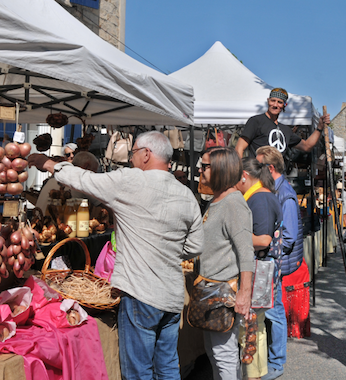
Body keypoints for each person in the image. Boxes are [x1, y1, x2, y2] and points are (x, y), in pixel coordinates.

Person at [28, 131, 204, 380]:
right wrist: (167, 250)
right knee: (167, 367)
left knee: (138, 371)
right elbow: (196, 245)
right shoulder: (186, 194)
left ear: (146, 154)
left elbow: (86, 180)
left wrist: (48, 164)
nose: (131, 159)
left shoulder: (132, 181)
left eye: (133, 153)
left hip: (141, 293)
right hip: (172, 295)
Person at [198, 147, 255, 380]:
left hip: (223, 290)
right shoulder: (217, 199)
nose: (199, 171)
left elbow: (246, 252)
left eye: (204, 166)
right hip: (210, 289)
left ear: (220, 168)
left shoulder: (233, 203)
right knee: (215, 353)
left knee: (224, 354)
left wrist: (244, 292)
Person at [256, 146, 304, 380]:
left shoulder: (284, 193)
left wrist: (270, 253)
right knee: (272, 310)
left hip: (275, 261)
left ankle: (276, 363)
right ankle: (272, 359)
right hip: (274, 260)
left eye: (259, 166)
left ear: (270, 168)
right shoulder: (277, 190)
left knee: (275, 311)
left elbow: (290, 236)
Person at [237, 157, 283, 380]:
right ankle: (254, 373)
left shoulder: (260, 198)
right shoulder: (262, 195)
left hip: (258, 270)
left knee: (251, 326)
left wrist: (233, 237)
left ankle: (253, 374)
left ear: (244, 175)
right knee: (254, 326)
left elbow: (263, 240)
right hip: (260, 269)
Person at [235, 88, 330, 159]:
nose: (275, 105)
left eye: (279, 102)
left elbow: (306, 146)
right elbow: (239, 148)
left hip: (277, 179)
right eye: (273, 101)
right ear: (268, 101)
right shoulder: (256, 121)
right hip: (258, 177)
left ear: (285, 105)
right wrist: (240, 175)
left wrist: (319, 127)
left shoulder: (285, 130)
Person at [35, 151, 100, 214]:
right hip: (59, 223)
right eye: (94, 171)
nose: (93, 175)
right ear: (86, 166)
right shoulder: (82, 181)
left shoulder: (52, 179)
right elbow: (105, 205)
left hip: (37, 221)